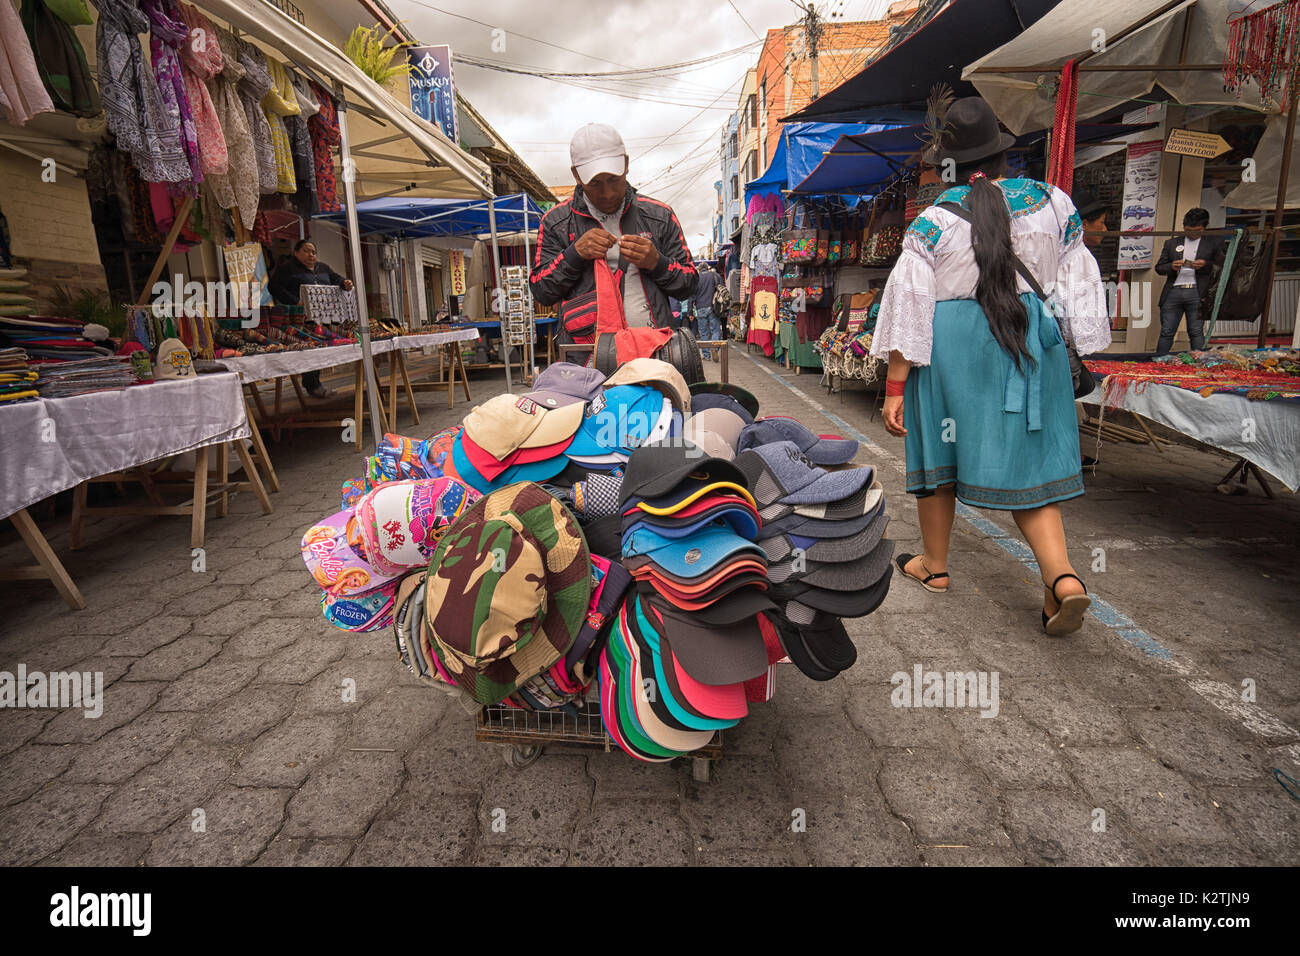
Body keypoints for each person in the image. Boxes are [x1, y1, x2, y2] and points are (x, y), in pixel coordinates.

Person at [871, 97, 1112, 635]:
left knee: (938, 450)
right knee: (1032, 467)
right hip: (1031, 341)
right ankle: (1063, 578)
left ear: (948, 162)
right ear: (1006, 153)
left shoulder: (932, 222)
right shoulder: (1055, 203)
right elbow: (1077, 286)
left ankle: (935, 567)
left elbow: (909, 311)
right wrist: (1075, 342)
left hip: (954, 348)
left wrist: (894, 387)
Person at [530, 123, 697, 358]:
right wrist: (574, 255)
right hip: (587, 358)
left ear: (626, 165)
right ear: (576, 175)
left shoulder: (659, 216)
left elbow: (689, 284)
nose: (607, 193)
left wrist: (656, 262)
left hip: (654, 351)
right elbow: (541, 291)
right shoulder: (556, 222)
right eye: (595, 183)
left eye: (613, 179)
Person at [268, 238, 355, 398]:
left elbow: (336, 279)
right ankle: (313, 385)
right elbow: (274, 287)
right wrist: (295, 301)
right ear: (296, 252)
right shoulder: (287, 269)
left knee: (322, 348)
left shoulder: (323, 267)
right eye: (306, 251)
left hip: (323, 316)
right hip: (299, 318)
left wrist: (345, 283)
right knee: (310, 348)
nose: (311, 255)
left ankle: (315, 383)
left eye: (314, 252)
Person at [1154, 207, 1225, 355]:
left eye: (1197, 230)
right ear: (1183, 227)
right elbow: (1159, 267)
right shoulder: (1171, 243)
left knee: (1195, 330)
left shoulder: (1213, 243)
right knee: (1167, 330)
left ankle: (1197, 362)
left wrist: (1205, 264)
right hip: (1174, 290)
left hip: (1198, 290)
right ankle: (1159, 360)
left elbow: (1222, 266)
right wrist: (1172, 266)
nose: (1192, 234)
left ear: (1205, 227)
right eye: (1188, 230)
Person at [692, 262, 721, 359]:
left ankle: (706, 355)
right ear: (707, 268)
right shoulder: (714, 275)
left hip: (700, 307)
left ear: (699, 269)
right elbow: (721, 289)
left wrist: (689, 311)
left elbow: (692, 295)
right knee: (715, 330)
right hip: (713, 307)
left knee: (704, 332)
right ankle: (715, 348)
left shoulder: (696, 278)